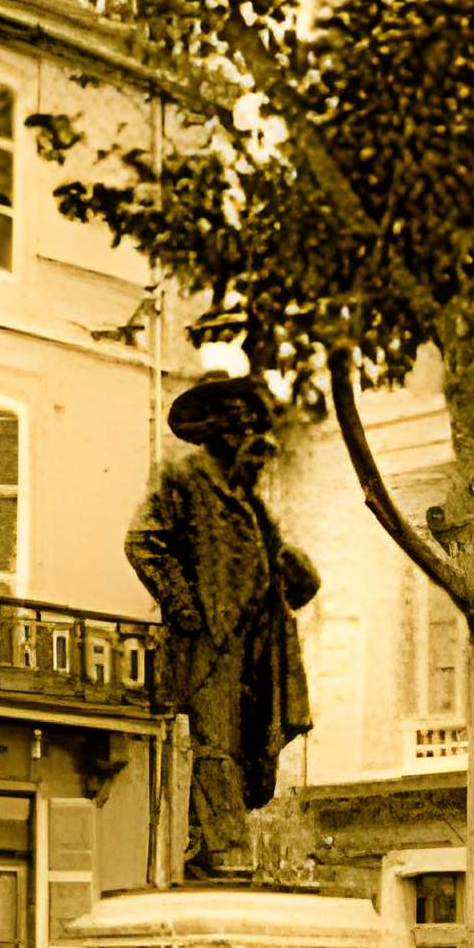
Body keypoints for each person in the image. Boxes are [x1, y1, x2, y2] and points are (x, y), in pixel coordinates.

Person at [123, 376, 316, 881]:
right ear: (213, 427)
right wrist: (186, 608)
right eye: (237, 418)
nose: (248, 426)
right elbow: (143, 541)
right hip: (210, 642)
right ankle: (225, 847)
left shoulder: (248, 497)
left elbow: (271, 564)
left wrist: (292, 573)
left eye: (251, 419)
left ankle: (202, 845)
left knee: (246, 745)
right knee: (214, 744)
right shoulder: (183, 479)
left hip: (256, 641)